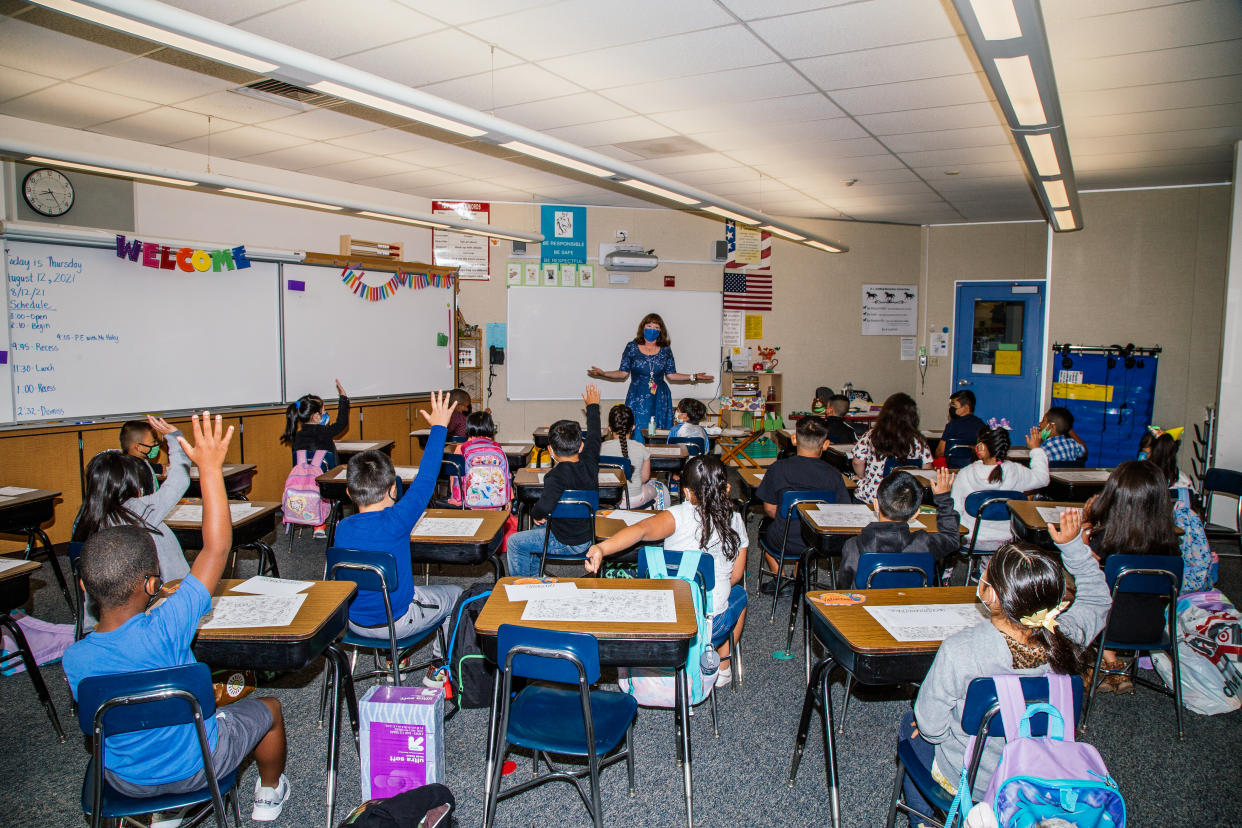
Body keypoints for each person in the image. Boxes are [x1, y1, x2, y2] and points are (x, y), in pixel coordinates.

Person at [63, 413, 293, 822]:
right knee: (270, 708)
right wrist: (208, 468)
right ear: (153, 585)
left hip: (123, 782)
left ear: (84, 587)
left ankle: (164, 814)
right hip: (197, 769)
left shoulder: (74, 659)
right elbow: (216, 549)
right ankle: (269, 794)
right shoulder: (170, 625)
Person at [902, 512, 1111, 818]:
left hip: (972, 782)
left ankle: (925, 819)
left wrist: (931, 728)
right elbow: (1098, 601)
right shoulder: (1068, 637)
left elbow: (932, 729)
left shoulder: (961, 650)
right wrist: (1074, 548)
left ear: (995, 595)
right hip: (1038, 779)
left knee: (910, 726)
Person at [585, 455, 748, 686]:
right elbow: (736, 576)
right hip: (712, 625)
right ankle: (722, 668)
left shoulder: (677, 516)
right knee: (740, 595)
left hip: (666, 619)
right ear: (726, 487)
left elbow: (640, 530)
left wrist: (602, 547)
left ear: (687, 493)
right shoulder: (737, 520)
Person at [334, 391, 462, 682]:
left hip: (352, 624)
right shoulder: (397, 520)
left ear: (349, 493)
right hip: (397, 622)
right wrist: (439, 428)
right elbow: (427, 479)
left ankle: (398, 661)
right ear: (394, 488)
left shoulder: (342, 528)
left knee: (390, 590)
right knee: (457, 596)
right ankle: (436, 670)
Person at [74, 416, 192, 625]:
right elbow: (180, 480)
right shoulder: (141, 512)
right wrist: (174, 437)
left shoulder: (90, 520)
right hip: (161, 610)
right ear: (135, 487)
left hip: (102, 623)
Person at [1084, 460, 1188, 692]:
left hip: (1107, 626)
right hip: (1153, 628)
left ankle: (1101, 664)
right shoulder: (1170, 545)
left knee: (1066, 592)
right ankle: (1113, 666)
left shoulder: (1104, 541)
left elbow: (1084, 574)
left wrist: (1085, 527)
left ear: (1114, 496)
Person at [507, 385, 603, 577]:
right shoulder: (591, 462)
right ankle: (536, 575)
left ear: (550, 451)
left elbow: (543, 507)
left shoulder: (555, 476)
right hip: (588, 538)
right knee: (538, 527)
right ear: (581, 446)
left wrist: (535, 513)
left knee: (515, 542)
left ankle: (526, 583)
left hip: (562, 541)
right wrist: (593, 406)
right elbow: (595, 435)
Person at [756, 416, 850, 595]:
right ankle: (799, 576)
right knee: (805, 538)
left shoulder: (778, 468)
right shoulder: (834, 474)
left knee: (764, 530)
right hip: (817, 541)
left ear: (793, 439)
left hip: (783, 540)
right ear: (826, 444)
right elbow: (841, 511)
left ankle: (781, 578)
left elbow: (769, 509)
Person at [588, 313, 713, 438]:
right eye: (649, 326)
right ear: (643, 328)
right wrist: (603, 373)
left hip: (660, 397)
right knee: (636, 430)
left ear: (661, 331)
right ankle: (635, 454)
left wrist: (693, 376)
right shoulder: (631, 347)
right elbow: (622, 373)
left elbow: (671, 375)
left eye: (656, 327)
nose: (652, 329)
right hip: (637, 396)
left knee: (659, 431)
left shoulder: (665, 350)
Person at [838, 469, 960, 589]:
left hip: (865, 606)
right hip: (910, 605)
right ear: (916, 514)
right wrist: (944, 499)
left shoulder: (854, 546)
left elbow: (845, 587)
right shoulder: (924, 544)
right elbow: (951, 538)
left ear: (876, 504)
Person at [950, 423, 1050, 551]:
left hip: (973, 540)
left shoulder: (965, 473)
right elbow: (1043, 479)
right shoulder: (1016, 471)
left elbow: (955, 511)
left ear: (980, 448)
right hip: (1009, 540)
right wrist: (1036, 449)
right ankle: (990, 565)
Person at [1137, 428, 1215, 591]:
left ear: (1150, 452)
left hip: (1145, 540)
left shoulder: (1142, 479)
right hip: (1180, 548)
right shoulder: (1184, 481)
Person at [852, 392, 933, 504]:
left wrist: (861, 476)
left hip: (875, 496)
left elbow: (857, 461)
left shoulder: (872, 436)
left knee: (857, 489)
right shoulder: (919, 441)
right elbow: (927, 470)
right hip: (906, 499)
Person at [449, 410, 513, 510]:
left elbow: (454, 477)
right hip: (495, 503)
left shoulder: (461, 448)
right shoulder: (497, 448)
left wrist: (457, 498)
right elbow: (506, 475)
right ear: (491, 428)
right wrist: (508, 499)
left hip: (468, 504)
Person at [600, 403, 657, 508]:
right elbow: (644, 478)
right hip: (633, 500)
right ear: (633, 427)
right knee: (657, 490)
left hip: (606, 500)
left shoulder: (600, 448)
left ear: (609, 428)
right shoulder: (641, 448)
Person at [282, 378, 349, 467]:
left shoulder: (296, 437)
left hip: (303, 480)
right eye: (324, 411)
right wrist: (343, 397)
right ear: (316, 416)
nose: (325, 413)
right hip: (326, 479)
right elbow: (342, 422)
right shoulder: (325, 432)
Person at [935, 390, 986, 458]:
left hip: (952, 466)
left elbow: (940, 452)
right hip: (973, 465)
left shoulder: (952, 425)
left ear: (966, 407)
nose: (951, 408)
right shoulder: (981, 425)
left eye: (954, 405)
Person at [120, 419, 163, 492]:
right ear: (138, 447)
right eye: (153, 442)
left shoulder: (125, 462)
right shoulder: (141, 470)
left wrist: (161, 468)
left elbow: (153, 467)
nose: (156, 444)